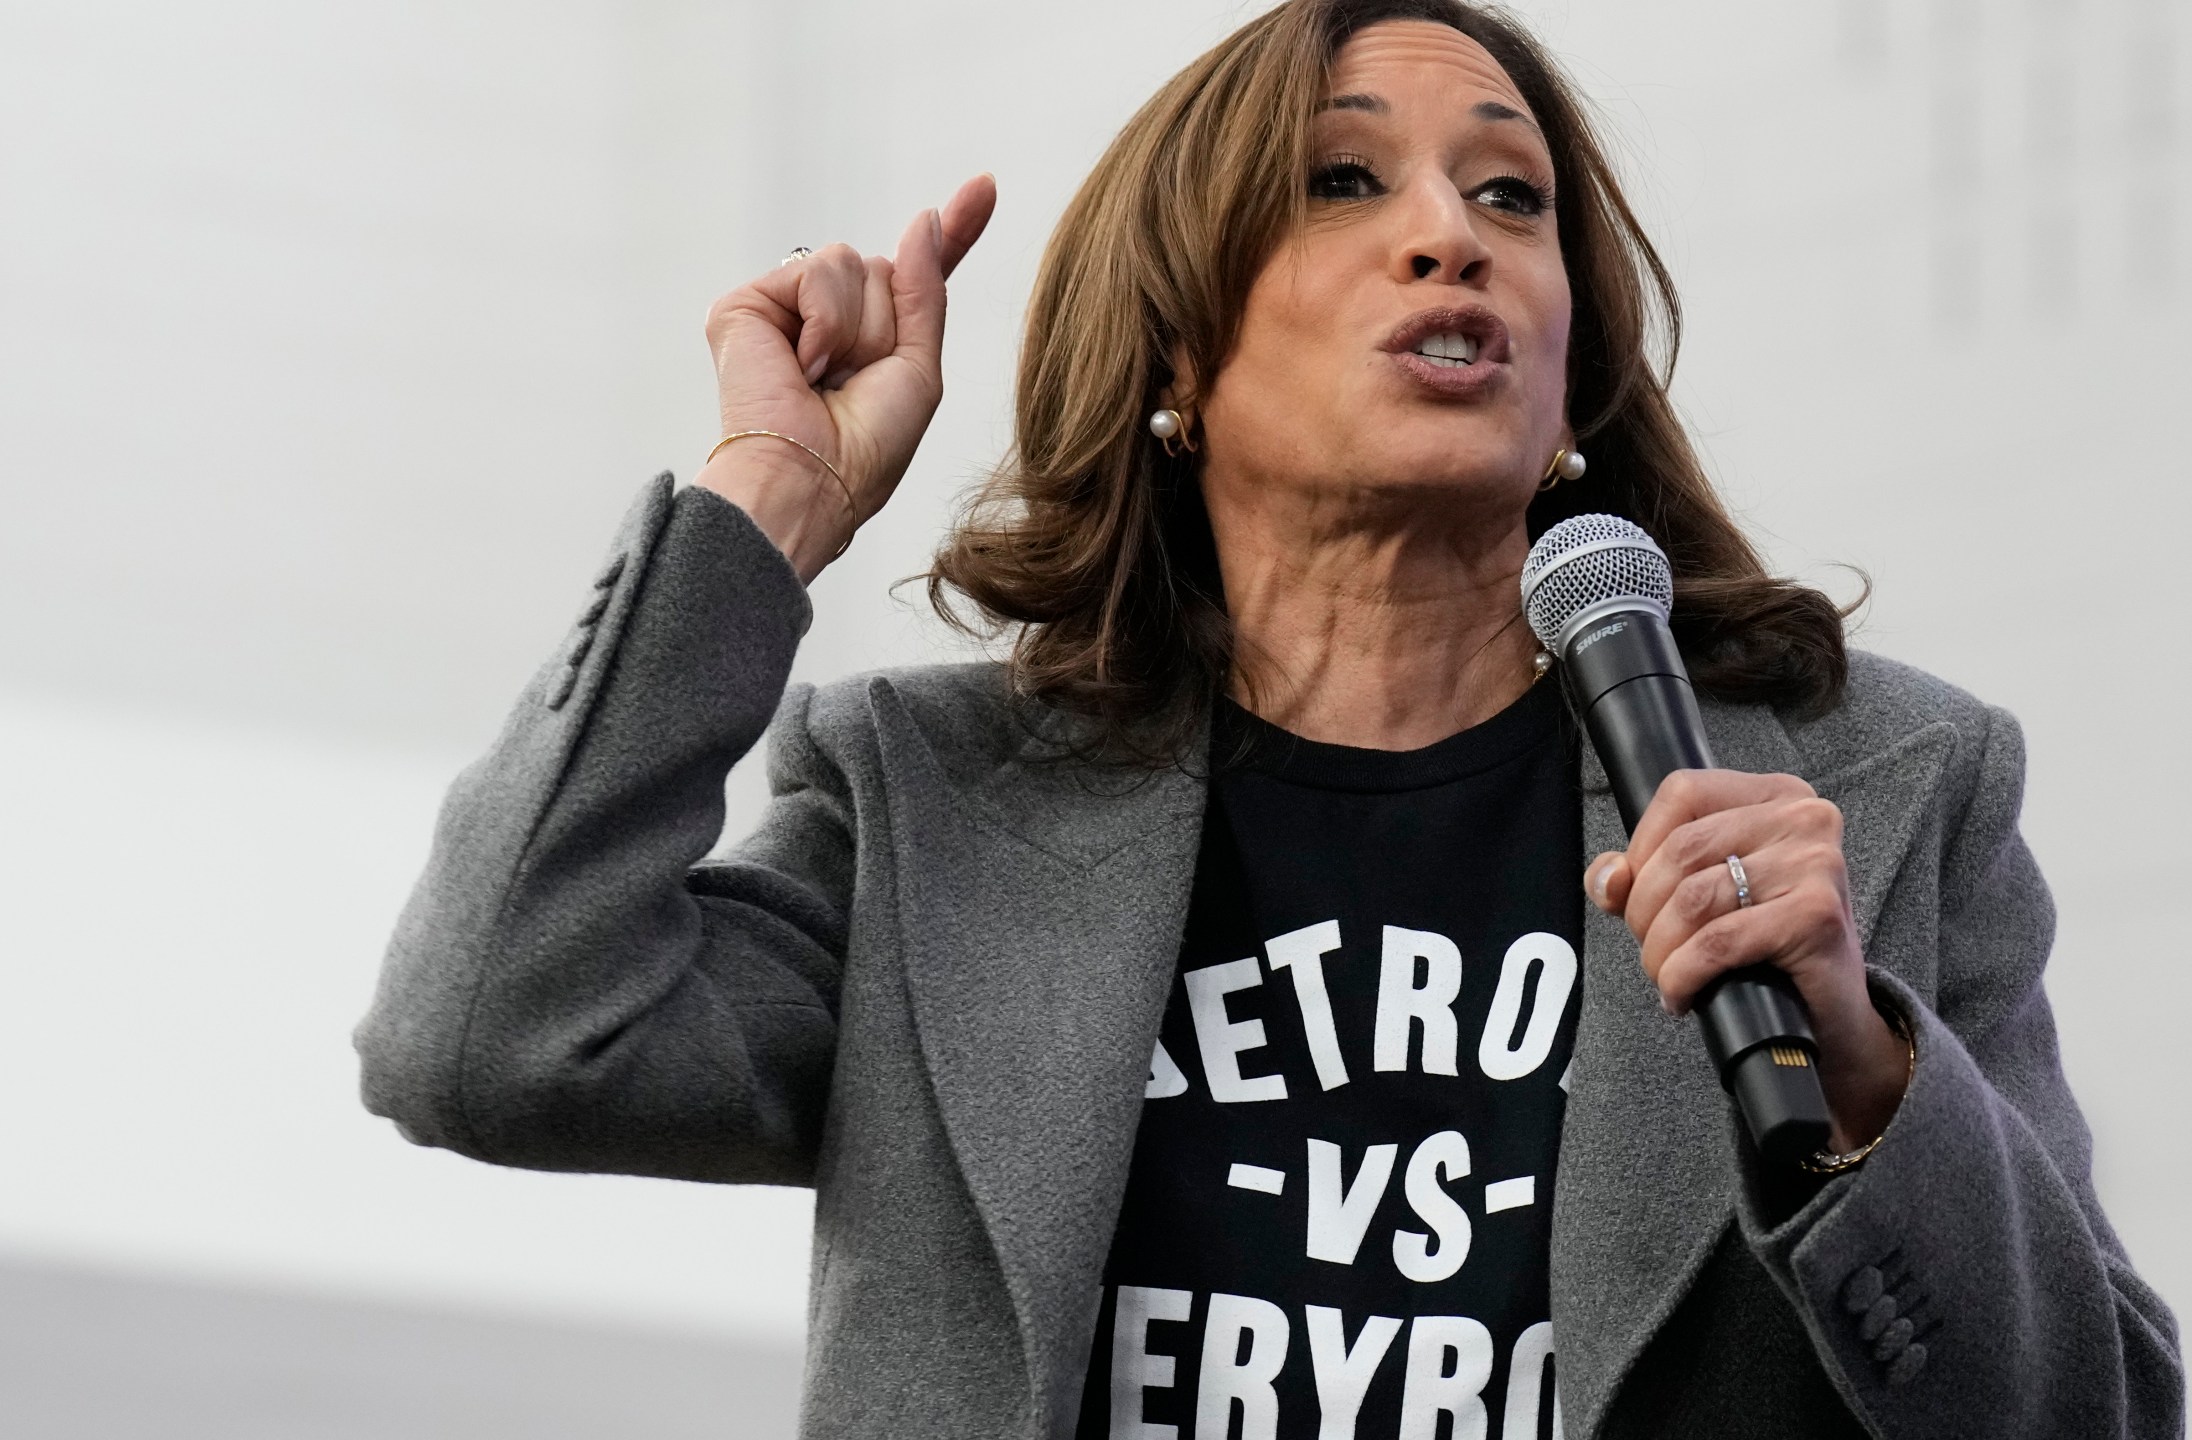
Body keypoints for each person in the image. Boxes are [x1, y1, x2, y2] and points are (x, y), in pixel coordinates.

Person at [354, 1, 2183, 1435]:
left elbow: (2097, 1411)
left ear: (1570, 375)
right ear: (1174, 356)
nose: (1446, 239)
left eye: (1510, 195)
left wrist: (1867, 1076)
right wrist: (766, 499)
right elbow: (494, 1035)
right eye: (1342, 182)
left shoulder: (1876, 797)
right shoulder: (933, 807)